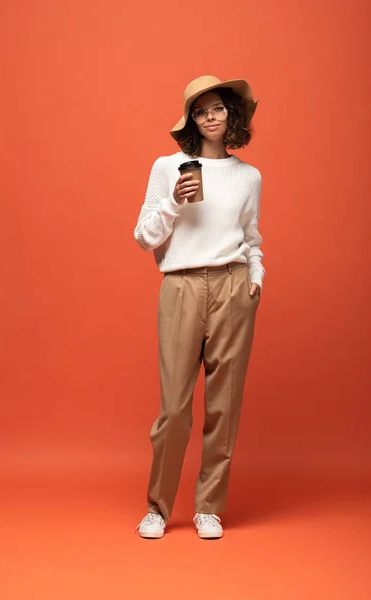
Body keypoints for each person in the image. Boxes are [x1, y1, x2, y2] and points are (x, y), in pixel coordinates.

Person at [133, 75, 265, 539]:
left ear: (232, 116)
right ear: (191, 118)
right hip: (182, 286)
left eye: (219, 109)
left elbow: (251, 237)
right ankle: (158, 508)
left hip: (234, 287)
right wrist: (172, 203)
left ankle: (209, 505)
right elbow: (144, 236)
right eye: (201, 110)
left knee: (224, 405)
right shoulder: (169, 167)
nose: (210, 116)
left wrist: (256, 276)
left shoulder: (249, 176)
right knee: (175, 407)